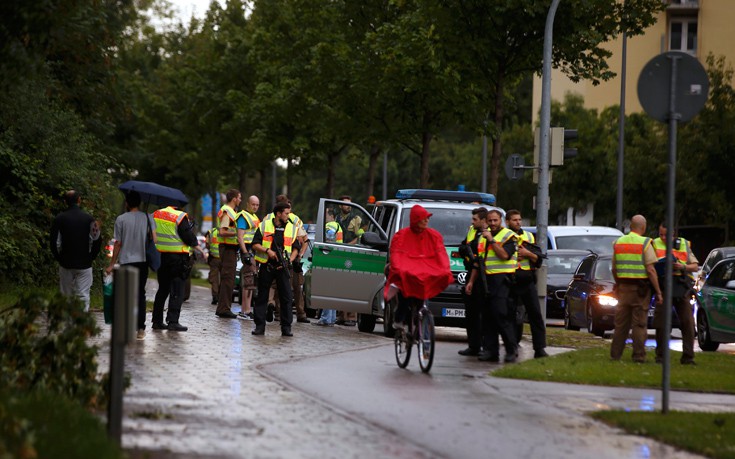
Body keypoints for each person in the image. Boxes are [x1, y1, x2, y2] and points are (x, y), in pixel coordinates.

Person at [387, 205, 453, 331]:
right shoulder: (401, 236)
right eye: (423, 218)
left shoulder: (434, 236)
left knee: (420, 301)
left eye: (427, 218)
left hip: (423, 273)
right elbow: (396, 254)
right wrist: (399, 269)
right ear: (416, 220)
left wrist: (445, 269)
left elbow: (440, 254)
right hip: (407, 272)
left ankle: (418, 326)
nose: (426, 221)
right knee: (404, 296)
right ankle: (399, 319)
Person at [466, 209, 518, 363]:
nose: (493, 224)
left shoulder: (509, 236)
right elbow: (478, 262)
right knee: (487, 316)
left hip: (502, 280)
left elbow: (504, 255)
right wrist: (471, 282)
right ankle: (490, 350)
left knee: (501, 314)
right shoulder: (482, 238)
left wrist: (492, 241)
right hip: (485, 279)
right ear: (486, 221)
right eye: (490, 221)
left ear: (501, 220)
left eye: (495, 220)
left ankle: (511, 349)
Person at [610, 215, 663, 363]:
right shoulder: (645, 243)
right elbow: (651, 270)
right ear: (643, 227)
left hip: (623, 289)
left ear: (630, 227)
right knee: (639, 324)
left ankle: (615, 355)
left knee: (620, 325)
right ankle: (639, 356)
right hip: (640, 291)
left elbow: (614, 269)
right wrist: (658, 292)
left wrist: (618, 283)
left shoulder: (618, 243)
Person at [105, 191, 153, 340]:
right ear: (139, 203)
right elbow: (153, 239)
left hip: (126, 261)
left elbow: (118, 243)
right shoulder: (148, 218)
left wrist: (112, 264)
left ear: (127, 203)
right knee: (140, 294)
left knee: (125, 294)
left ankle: (126, 326)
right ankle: (140, 329)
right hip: (143, 261)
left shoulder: (121, 219)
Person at [652, 222, 698, 365]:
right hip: (663, 286)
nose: (664, 238)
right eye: (661, 234)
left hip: (680, 286)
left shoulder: (683, 244)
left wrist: (682, 266)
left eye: (667, 235)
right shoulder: (653, 244)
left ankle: (688, 357)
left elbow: (695, 266)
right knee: (661, 323)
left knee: (688, 323)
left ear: (673, 234)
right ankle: (660, 356)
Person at [251, 202, 299, 336]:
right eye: (286, 213)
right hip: (267, 265)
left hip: (283, 267)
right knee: (262, 296)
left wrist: (290, 260)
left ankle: (286, 327)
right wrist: (267, 251)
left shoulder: (292, 228)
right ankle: (259, 326)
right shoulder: (265, 225)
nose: (288, 215)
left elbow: (296, 248)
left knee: (286, 298)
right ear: (278, 213)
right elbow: (255, 244)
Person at [50, 190, 101, 312]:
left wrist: (59, 258)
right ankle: (81, 322)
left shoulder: (59, 219)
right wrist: (91, 257)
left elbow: (54, 243)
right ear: (79, 200)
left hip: (66, 263)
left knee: (66, 294)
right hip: (84, 263)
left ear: (65, 202)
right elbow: (97, 239)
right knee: (83, 295)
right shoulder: (90, 219)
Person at [506, 210, 548, 358]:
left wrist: (528, 254)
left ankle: (540, 348)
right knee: (511, 316)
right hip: (510, 280)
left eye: (519, 219)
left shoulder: (529, 236)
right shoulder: (504, 236)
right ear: (507, 222)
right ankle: (512, 348)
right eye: (514, 220)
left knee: (535, 315)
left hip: (527, 279)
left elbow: (538, 259)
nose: (518, 222)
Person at [152, 204, 199, 331]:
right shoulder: (179, 216)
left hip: (161, 256)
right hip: (177, 258)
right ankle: (173, 321)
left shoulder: (156, 213)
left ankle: (157, 321)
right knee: (177, 290)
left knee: (162, 289)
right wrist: (195, 242)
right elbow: (188, 236)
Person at [457, 207, 487, 357]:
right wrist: (465, 249)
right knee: (471, 313)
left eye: (475, 219)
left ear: (483, 221)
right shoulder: (471, 230)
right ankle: (473, 346)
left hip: (485, 276)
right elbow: (463, 245)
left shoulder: (488, 234)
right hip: (471, 273)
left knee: (484, 314)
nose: (472, 221)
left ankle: (484, 346)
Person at [215, 189, 242, 319]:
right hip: (227, 249)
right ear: (234, 199)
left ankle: (224, 307)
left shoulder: (231, 212)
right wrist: (238, 233)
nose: (240, 200)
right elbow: (222, 231)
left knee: (228, 279)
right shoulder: (228, 212)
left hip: (229, 249)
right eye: (239, 198)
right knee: (228, 279)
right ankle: (224, 308)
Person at [336, 195, 361, 325]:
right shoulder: (337, 218)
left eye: (350, 204)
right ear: (340, 206)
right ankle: (341, 315)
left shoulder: (356, 219)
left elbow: (359, 236)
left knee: (351, 284)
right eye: (345, 204)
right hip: (340, 253)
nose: (348, 206)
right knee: (339, 284)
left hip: (351, 253)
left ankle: (352, 317)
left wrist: (349, 245)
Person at [236, 195, 261, 320]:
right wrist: (245, 253)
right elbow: (240, 236)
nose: (255, 207)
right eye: (253, 204)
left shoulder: (255, 217)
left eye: (257, 205)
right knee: (248, 280)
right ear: (248, 204)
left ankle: (247, 310)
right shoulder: (243, 217)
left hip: (253, 250)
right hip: (248, 250)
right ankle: (244, 311)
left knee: (251, 280)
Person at [206, 227, 221, 305]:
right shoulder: (229, 230)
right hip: (224, 258)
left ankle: (215, 296)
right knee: (224, 279)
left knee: (214, 278)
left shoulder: (211, 232)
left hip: (214, 258)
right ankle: (222, 297)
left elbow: (207, 245)